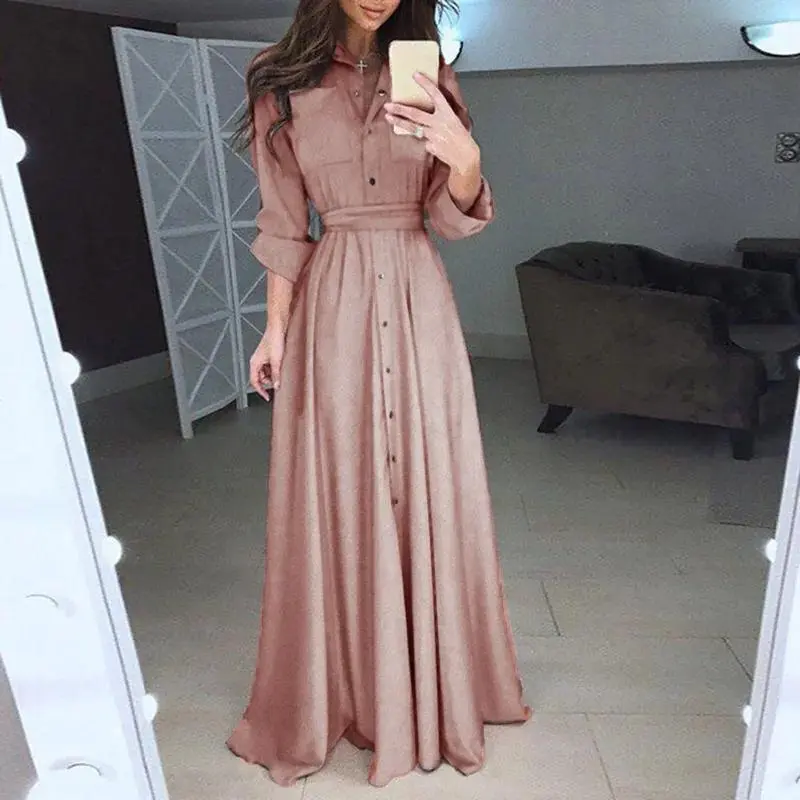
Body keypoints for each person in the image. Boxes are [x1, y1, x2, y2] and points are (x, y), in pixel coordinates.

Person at [226, 0, 530, 787]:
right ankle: (353, 686)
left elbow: (449, 214)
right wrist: (274, 329)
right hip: (333, 298)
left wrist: (465, 159)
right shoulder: (277, 79)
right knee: (342, 488)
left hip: (418, 291)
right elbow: (284, 221)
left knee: (431, 486)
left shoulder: (430, 73)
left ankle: (430, 684)